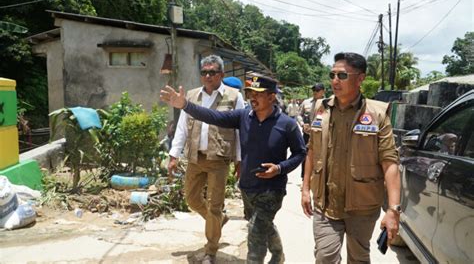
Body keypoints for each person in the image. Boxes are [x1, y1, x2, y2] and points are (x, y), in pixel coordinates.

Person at [161, 74, 306, 264]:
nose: (253, 97)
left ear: (272, 97)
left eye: (258, 94)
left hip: (272, 189)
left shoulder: (287, 124)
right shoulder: (243, 117)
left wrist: (279, 168)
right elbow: (214, 116)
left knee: (255, 233)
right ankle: (278, 255)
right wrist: (186, 105)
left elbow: (300, 153)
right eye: (250, 93)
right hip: (247, 186)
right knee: (261, 224)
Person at [301, 52, 401, 263]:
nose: (335, 81)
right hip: (325, 203)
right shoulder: (322, 108)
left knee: (358, 258)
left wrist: (393, 210)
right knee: (324, 256)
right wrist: (305, 189)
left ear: (360, 78)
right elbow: (311, 150)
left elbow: (389, 162)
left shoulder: (377, 114)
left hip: (362, 207)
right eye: (332, 75)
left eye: (342, 76)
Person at [167, 55, 245, 264]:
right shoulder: (191, 96)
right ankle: (219, 220)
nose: (208, 76)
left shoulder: (234, 96)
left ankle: (211, 250)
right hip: (195, 157)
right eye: (204, 72)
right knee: (191, 199)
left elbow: (241, 130)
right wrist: (174, 155)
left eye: (212, 72)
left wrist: (240, 159)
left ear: (221, 74)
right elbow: (182, 127)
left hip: (219, 159)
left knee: (214, 205)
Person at [298, 83, 325, 179]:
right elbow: (299, 114)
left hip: (321, 135)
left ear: (323, 91)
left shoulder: (327, 103)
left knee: (319, 156)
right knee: (305, 156)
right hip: (307, 134)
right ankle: (304, 178)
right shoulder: (306, 102)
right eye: (313, 90)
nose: (315, 92)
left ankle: (317, 178)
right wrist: (302, 124)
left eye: (317, 90)